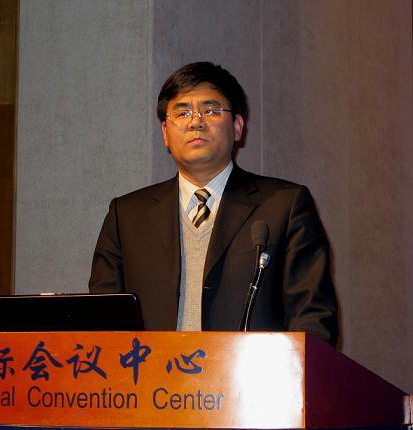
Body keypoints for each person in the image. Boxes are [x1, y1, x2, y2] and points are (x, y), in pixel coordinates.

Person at [89, 62, 338, 346]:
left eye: (210, 110)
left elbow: (313, 319)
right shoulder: (126, 217)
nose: (196, 122)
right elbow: (101, 325)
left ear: (237, 127)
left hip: (249, 375)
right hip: (151, 374)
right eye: (182, 112)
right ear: (165, 133)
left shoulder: (285, 206)